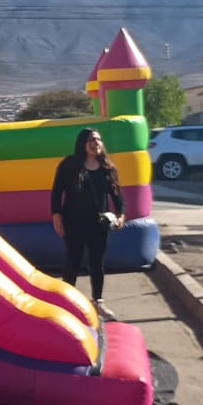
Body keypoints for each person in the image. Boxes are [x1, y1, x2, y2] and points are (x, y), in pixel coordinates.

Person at [50, 127, 125, 318]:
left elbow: (117, 195)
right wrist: (56, 216)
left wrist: (121, 214)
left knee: (97, 263)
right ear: (83, 143)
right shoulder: (69, 165)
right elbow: (57, 192)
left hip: (98, 223)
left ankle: (98, 302)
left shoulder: (108, 167)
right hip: (73, 221)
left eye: (99, 140)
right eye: (92, 140)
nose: (96, 143)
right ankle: (66, 303)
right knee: (73, 261)